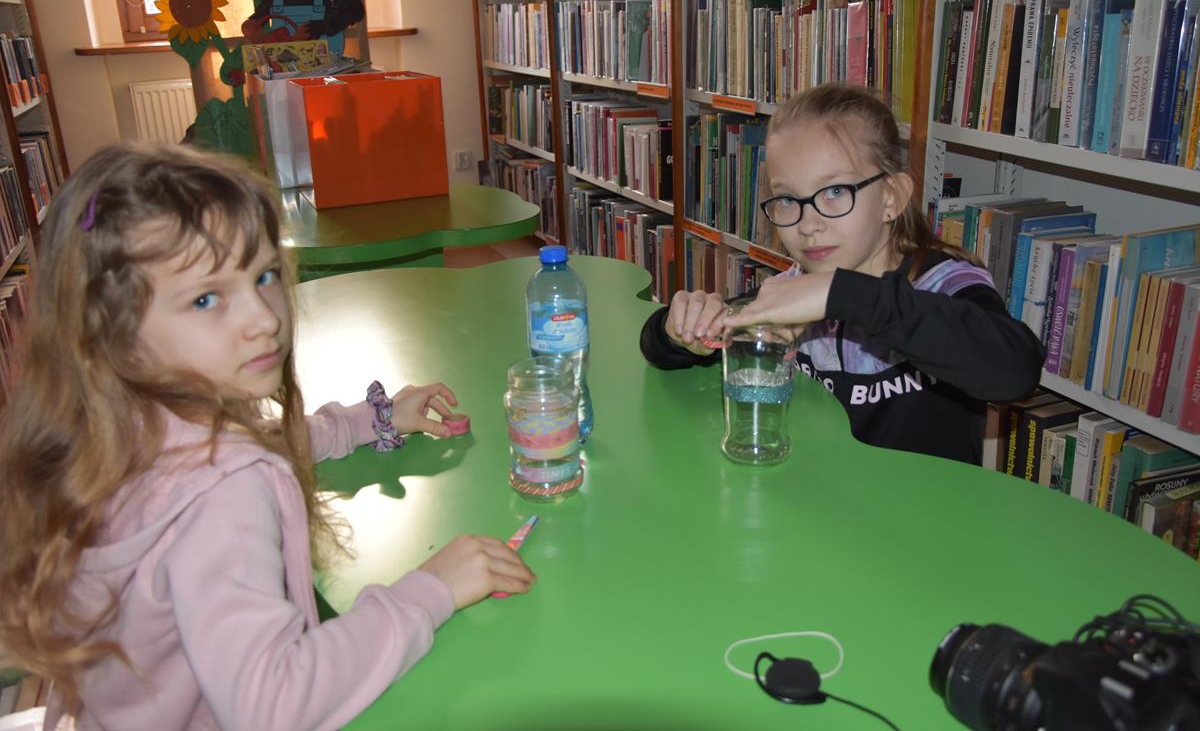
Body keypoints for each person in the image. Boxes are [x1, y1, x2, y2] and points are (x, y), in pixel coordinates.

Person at [0, 143, 536, 730]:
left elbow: (252, 443)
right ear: (115, 331)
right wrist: (431, 588)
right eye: (206, 299)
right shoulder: (222, 493)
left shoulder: (112, 427)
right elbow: (273, 705)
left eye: (263, 276)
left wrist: (368, 421)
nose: (263, 318)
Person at [641, 83, 1044, 465]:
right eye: (787, 199)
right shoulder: (795, 287)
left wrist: (840, 294)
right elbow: (657, 345)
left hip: (923, 510)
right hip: (823, 497)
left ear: (891, 198)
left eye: (835, 192)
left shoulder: (945, 283)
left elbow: (1016, 371)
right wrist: (681, 329)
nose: (807, 224)